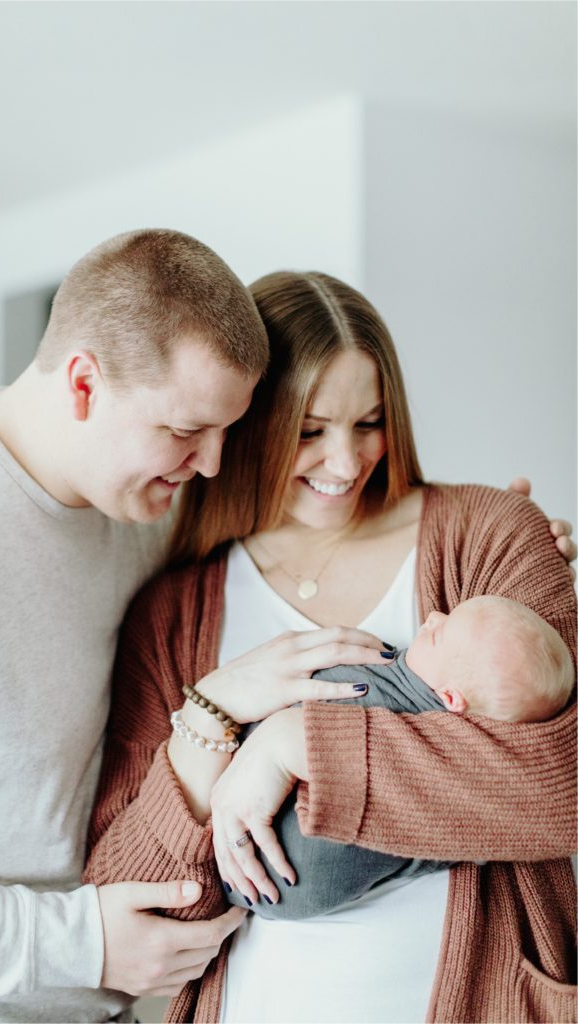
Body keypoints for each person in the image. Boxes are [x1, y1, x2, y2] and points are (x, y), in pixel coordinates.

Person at [85, 270, 577, 1024]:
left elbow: (563, 785)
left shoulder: (489, 534)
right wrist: (211, 718)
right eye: (309, 431)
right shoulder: (175, 608)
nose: (346, 464)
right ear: (240, 422)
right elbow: (127, 900)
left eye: (369, 422)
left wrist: (295, 745)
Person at [0, 229, 272, 1024]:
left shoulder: (143, 500)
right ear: (81, 383)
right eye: (183, 432)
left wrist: (485, 546)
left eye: (224, 435)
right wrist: (76, 944)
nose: (208, 465)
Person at [222, 595, 575, 919]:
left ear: (451, 699)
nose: (433, 617)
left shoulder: (397, 682)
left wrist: (301, 742)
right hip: (274, 882)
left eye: (439, 633)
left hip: (266, 867)